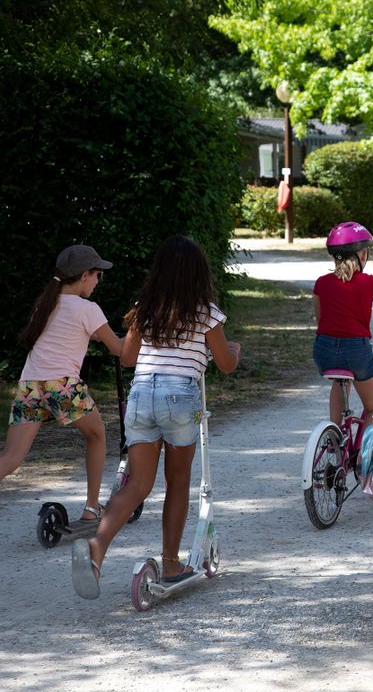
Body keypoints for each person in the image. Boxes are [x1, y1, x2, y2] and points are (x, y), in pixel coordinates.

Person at [71, 235, 241, 599]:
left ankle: (97, 549)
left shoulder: (144, 308)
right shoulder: (206, 313)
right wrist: (234, 352)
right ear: (198, 274)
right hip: (179, 396)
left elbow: (128, 358)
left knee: (137, 484)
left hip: (141, 394)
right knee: (177, 481)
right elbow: (225, 365)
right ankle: (171, 563)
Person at [0, 245, 123, 521]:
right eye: (98, 275)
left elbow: (60, 334)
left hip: (30, 385)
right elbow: (120, 349)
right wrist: (139, 333)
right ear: (84, 276)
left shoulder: (45, 303)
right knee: (96, 435)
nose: (98, 281)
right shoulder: (87, 308)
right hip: (61, 385)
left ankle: (93, 507)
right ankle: (92, 508)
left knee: (11, 457)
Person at [312, 221, 373, 431]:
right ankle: (364, 454)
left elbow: (321, 321)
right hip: (356, 352)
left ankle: (332, 433)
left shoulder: (320, 284)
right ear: (362, 256)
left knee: (340, 379)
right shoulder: (371, 283)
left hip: (323, 351)